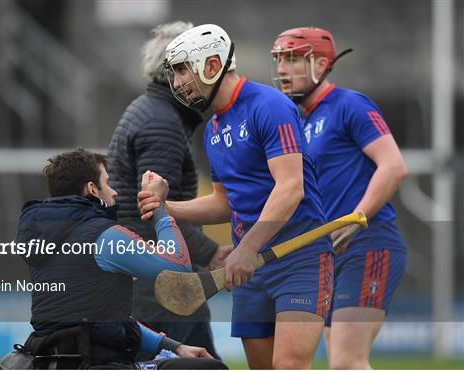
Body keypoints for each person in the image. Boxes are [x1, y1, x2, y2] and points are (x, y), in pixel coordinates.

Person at [138, 24, 333, 369]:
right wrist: (167, 207)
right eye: (174, 74)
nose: (178, 83)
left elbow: (290, 187)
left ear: (212, 65)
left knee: (288, 366)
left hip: (297, 260)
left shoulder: (270, 105)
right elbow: (225, 202)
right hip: (252, 270)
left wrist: (246, 247)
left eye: (183, 70)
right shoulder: (213, 130)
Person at [270, 27, 408, 369]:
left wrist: (354, 218)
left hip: (367, 245)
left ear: (320, 63)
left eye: (292, 59)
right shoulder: (296, 121)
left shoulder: (349, 105)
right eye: (279, 60)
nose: (283, 69)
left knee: (347, 363)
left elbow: (393, 166)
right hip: (326, 254)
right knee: (337, 362)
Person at [16, 148, 227, 369]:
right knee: (212, 368)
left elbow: (101, 323)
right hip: (98, 363)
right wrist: (159, 207)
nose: (114, 192)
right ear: (92, 189)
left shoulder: (44, 240)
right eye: (107, 183)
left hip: (55, 363)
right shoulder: (103, 235)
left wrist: (173, 346)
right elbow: (179, 271)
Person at [108, 21, 231, 360]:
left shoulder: (149, 110)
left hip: (148, 277)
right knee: (205, 364)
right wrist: (211, 253)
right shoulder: (161, 123)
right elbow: (155, 209)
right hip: (162, 284)